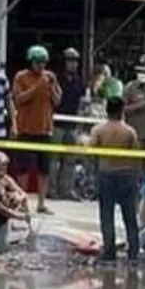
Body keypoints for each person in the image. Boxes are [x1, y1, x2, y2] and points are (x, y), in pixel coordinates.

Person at [86, 96, 141, 262]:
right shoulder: (130, 131)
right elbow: (136, 155)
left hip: (107, 175)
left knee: (107, 215)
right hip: (127, 176)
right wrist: (137, 177)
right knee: (130, 216)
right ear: (122, 111)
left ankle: (109, 253)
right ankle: (134, 253)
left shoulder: (99, 130)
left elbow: (91, 152)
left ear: (106, 110)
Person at [12, 45, 62, 215]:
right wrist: (37, 86)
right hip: (26, 129)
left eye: (43, 63)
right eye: (37, 62)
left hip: (44, 129)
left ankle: (41, 203)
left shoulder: (50, 77)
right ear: (31, 62)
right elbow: (19, 99)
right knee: (23, 169)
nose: (41, 66)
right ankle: (22, 201)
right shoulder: (21, 77)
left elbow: (57, 100)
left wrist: (52, 87)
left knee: (44, 169)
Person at [51, 47, 86, 200]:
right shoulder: (56, 79)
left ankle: (66, 190)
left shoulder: (79, 82)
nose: (73, 64)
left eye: (75, 61)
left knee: (70, 160)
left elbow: (83, 103)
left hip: (72, 124)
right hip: (56, 123)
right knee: (54, 159)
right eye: (70, 61)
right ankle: (52, 190)